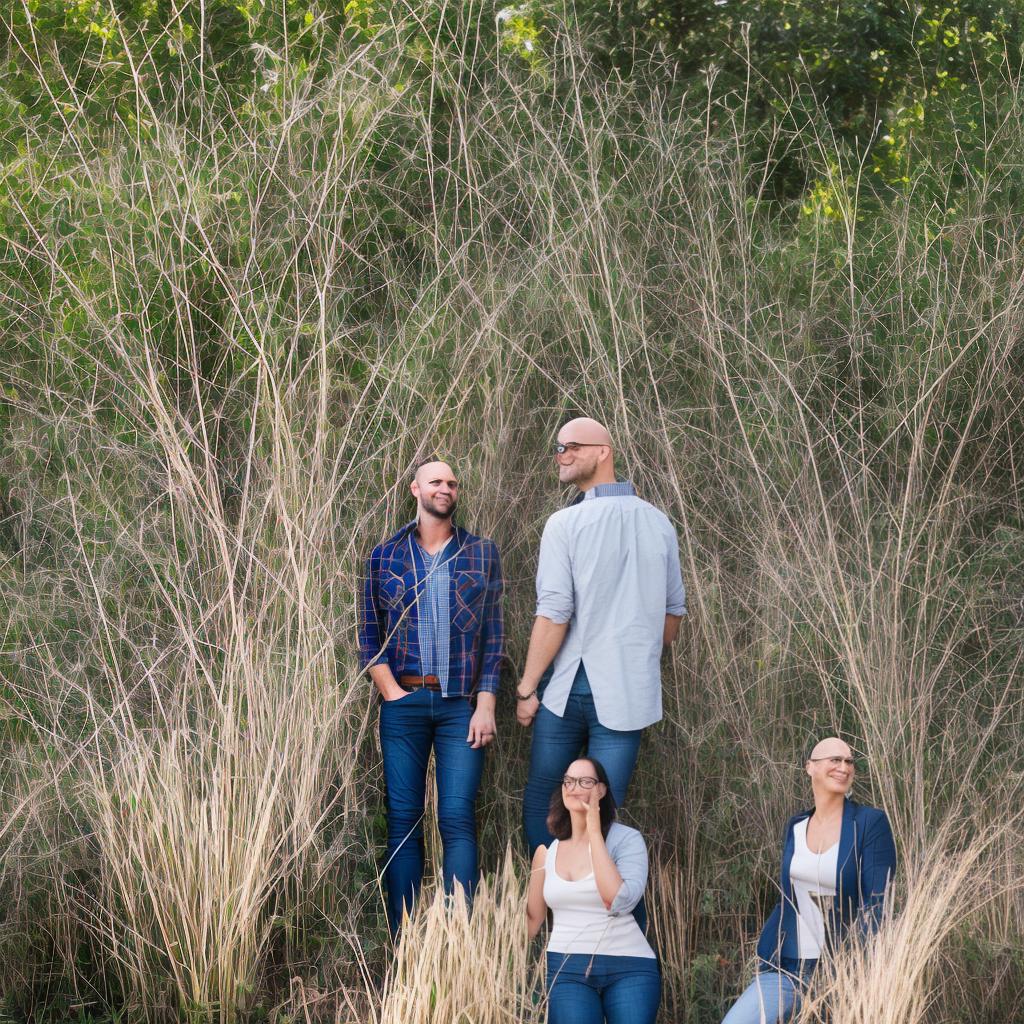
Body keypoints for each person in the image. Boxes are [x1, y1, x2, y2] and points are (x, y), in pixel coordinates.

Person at [517, 417, 686, 854]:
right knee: (602, 812)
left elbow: (554, 615)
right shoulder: (660, 524)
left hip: (567, 688)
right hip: (629, 691)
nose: (562, 455)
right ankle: (591, 907)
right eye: (558, 448)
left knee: (542, 802)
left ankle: (552, 903)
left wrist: (527, 687)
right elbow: (671, 624)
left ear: (604, 452)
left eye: (572, 446)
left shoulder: (564, 524)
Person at [358, 457, 504, 936]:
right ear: (415, 488)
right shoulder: (383, 556)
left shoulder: (481, 553)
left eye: (453, 483)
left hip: (461, 705)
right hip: (404, 704)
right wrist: (392, 693)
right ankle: (403, 940)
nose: (446, 489)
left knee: (458, 817)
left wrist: (486, 703)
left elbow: (494, 637)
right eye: (436, 481)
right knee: (403, 818)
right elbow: (368, 634)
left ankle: (456, 938)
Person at [721, 737, 897, 1024]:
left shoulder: (869, 823)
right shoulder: (796, 825)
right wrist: (770, 943)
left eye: (849, 761)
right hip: (786, 966)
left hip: (841, 971)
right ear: (810, 768)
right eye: (835, 760)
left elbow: (878, 904)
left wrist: (849, 966)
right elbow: (789, 895)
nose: (844, 767)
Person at [527, 757, 661, 1024]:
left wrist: (594, 831)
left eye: (585, 781)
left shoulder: (627, 840)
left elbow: (617, 899)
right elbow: (532, 920)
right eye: (569, 781)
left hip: (630, 966)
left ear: (601, 790)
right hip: (567, 968)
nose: (575, 787)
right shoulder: (546, 853)